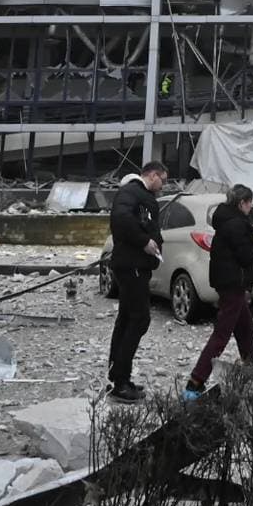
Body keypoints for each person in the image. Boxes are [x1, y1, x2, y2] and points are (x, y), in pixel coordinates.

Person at [183, 184, 253, 399]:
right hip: (233, 282)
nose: (251, 206)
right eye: (249, 202)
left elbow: (239, 244)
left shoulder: (228, 220)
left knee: (245, 326)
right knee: (222, 333)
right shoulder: (235, 223)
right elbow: (245, 256)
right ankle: (196, 381)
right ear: (242, 203)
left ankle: (251, 364)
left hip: (231, 281)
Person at [105, 162, 167, 401]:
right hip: (133, 265)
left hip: (135, 264)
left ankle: (118, 377)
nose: (163, 185)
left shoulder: (136, 194)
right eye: (162, 179)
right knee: (139, 319)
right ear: (151, 175)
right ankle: (119, 382)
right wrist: (144, 241)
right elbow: (121, 220)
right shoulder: (131, 192)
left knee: (126, 319)